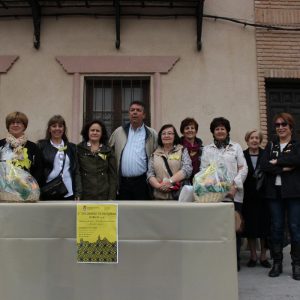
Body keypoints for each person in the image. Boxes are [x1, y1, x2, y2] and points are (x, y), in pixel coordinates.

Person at [200, 117, 248, 271]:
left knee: (235, 228)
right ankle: (218, 260)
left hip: (234, 194)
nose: (220, 131)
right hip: (214, 196)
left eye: (222, 128)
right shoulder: (207, 149)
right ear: (213, 132)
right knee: (216, 228)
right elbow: (204, 171)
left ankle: (235, 260)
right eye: (217, 129)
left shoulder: (236, 147)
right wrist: (216, 186)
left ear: (227, 130)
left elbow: (243, 167)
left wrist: (234, 185)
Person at [260, 112, 300, 280]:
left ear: (290, 127)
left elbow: (297, 159)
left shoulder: (297, 144)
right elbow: (264, 165)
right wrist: (284, 167)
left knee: (295, 228)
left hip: (293, 193)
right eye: (277, 125)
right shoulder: (271, 145)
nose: (281, 127)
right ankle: (277, 263)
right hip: (273, 193)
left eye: (284, 124)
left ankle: (296, 265)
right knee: (276, 228)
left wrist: (276, 162)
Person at [109, 101, 157, 200]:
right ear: (129, 114)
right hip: (122, 182)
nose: (135, 112)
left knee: (141, 213)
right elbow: (108, 151)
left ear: (144, 115)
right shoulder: (119, 131)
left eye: (138, 110)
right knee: (124, 213)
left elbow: (157, 155)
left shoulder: (151, 133)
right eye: (132, 110)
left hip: (143, 182)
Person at [242, 130, 271, 268]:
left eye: (257, 138)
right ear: (247, 140)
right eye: (251, 138)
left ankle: (263, 255)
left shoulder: (267, 154)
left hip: (265, 196)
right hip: (248, 197)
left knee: (264, 227)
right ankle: (253, 255)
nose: (254, 140)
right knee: (251, 227)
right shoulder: (242, 155)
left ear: (260, 140)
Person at [37, 115, 81, 200]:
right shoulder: (41, 146)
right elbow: (38, 170)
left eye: (60, 126)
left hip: (69, 192)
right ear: (49, 129)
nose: (57, 128)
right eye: (54, 126)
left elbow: (76, 171)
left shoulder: (72, 147)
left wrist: (78, 192)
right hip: (48, 191)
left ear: (64, 129)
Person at [147, 124, 192, 200]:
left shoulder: (182, 150)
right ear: (160, 137)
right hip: (159, 197)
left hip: (178, 197)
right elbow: (150, 174)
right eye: (163, 133)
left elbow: (187, 169)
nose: (166, 135)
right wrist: (159, 186)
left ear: (175, 136)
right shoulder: (154, 153)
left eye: (170, 133)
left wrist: (170, 181)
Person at [77, 120, 117, 200]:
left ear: (102, 134)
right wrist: (78, 193)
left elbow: (112, 176)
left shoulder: (108, 151)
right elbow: (77, 173)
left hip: (103, 196)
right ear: (87, 132)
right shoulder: (79, 149)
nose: (95, 133)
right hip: (85, 195)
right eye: (92, 130)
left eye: (98, 131)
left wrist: (111, 197)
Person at [0, 111, 42, 183]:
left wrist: (31, 184)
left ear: (24, 126)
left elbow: (39, 169)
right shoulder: (1, 144)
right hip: (3, 189)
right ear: (8, 126)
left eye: (18, 122)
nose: (15, 125)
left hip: (26, 190)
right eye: (12, 123)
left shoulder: (33, 147)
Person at [180, 117, 203, 183]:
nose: (190, 130)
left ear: (196, 131)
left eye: (192, 128)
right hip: (182, 184)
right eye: (187, 128)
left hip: (199, 183)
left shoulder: (202, 149)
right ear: (183, 132)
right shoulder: (177, 148)